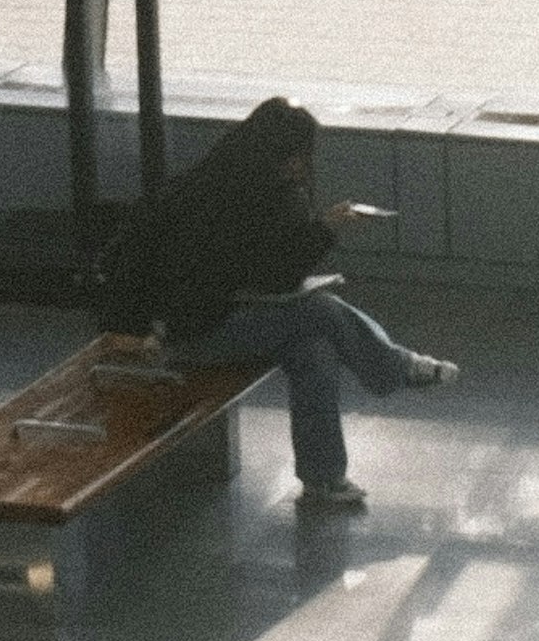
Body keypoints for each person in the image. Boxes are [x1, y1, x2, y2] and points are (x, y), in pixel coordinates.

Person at [108, 95, 454, 520]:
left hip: (212, 318)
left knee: (314, 347)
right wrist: (325, 229)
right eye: (297, 158)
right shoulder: (233, 203)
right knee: (319, 312)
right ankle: (393, 367)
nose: (302, 167)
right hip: (184, 335)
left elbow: (261, 276)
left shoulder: (229, 183)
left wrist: (312, 228)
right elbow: (272, 276)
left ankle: (324, 478)